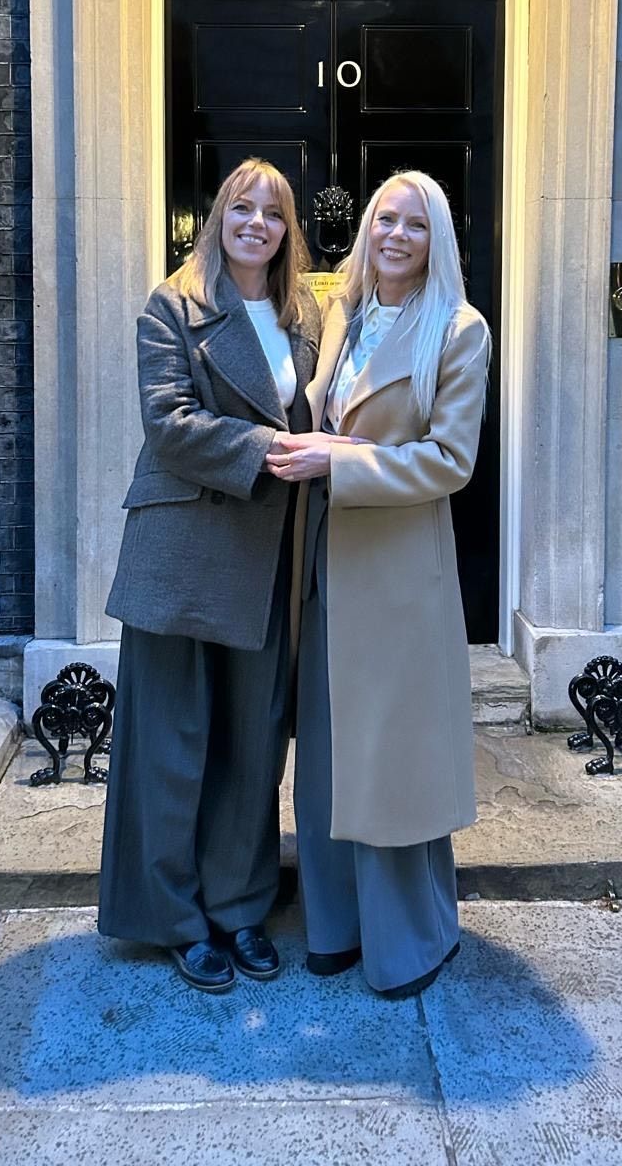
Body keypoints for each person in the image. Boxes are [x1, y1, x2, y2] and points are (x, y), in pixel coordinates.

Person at [98, 159, 322, 993]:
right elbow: (169, 425)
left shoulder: (306, 316)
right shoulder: (172, 306)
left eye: (272, 212)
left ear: (288, 231)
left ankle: (240, 908)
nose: (256, 222)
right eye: (242, 206)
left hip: (268, 559)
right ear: (216, 217)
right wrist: (268, 450)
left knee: (252, 747)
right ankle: (177, 920)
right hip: (183, 554)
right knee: (171, 745)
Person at [268, 170, 490, 998]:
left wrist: (340, 460)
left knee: (392, 761)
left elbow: (450, 462)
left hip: (399, 576)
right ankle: (333, 926)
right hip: (324, 564)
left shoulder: (461, 331)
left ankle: (408, 941)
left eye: (416, 225)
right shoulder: (341, 316)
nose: (396, 236)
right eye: (385, 220)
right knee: (326, 752)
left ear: (438, 240)